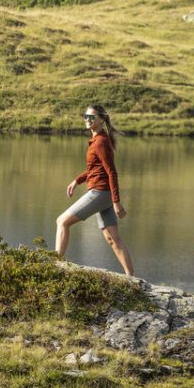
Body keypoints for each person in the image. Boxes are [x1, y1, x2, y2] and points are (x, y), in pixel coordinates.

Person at [54, 103, 135, 276]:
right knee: (113, 239)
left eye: (92, 117)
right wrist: (77, 181)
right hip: (103, 193)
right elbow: (94, 169)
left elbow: (111, 172)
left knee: (62, 221)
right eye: (86, 116)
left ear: (100, 119)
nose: (88, 120)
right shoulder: (99, 139)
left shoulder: (100, 142)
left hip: (100, 193)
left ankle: (56, 267)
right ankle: (131, 277)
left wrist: (116, 202)